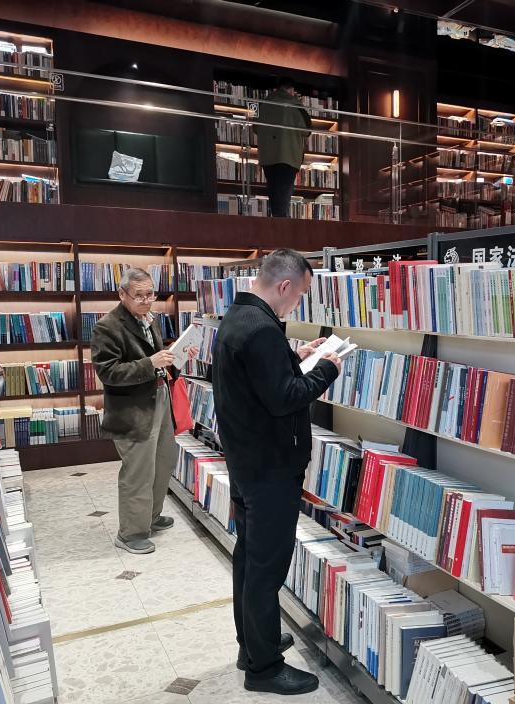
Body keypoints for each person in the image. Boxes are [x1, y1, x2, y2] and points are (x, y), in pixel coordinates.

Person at [212, 249, 341, 695]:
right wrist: (326, 369)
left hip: (247, 461)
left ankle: (252, 644)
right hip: (269, 468)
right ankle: (264, 668)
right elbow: (285, 398)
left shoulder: (239, 317)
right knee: (266, 568)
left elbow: (259, 380)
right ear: (284, 286)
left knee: (250, 559)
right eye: (299, 295)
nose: (297, 303)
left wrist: (293, 356)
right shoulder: (262, 329)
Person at [90, 267, 177, 555]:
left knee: (163, 461)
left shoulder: (150, 319)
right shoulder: (107, 326)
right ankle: (131, 533)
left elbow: (155, 358)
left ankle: (150, 516)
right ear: (122, 294)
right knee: (138, 472)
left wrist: (174, 357)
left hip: (158, 399)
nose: (146, 300)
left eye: (150, 294)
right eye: (139, 295)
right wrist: (150, 364)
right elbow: (108, 372)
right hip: (132, 410)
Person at [255, 77, 311, 218]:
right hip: (288, 156)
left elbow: (255, 127)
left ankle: (277, 225)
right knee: (283, 196)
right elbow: (307, 130)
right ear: (291, 90)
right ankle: (281, 228)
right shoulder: (295, 105)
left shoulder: (264, 104)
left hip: (268, 156)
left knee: (274, 194)